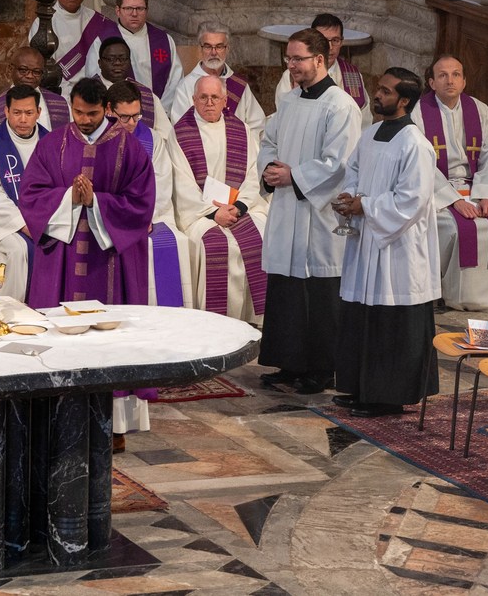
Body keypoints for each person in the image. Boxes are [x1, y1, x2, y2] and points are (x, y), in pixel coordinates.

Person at [257, 28, 362, 394]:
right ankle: (289, 362)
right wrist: (270, 169)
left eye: (297, 59)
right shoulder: (288, 101)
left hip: (320, 215)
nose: (291, 65)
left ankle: (322, 369)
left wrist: (295, 176)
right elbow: (268, 140)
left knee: (319, 296)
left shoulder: (340, 106)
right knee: (286, 291)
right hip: (288, 208)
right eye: (288, 58)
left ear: (320, 59)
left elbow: (340, 163)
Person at [332, 68, 441, 416]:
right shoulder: (371, 134)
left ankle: (388, 396)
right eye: (378, 88)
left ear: (404, 100)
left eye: (385, 91)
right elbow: (353, 170)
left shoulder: (415, 145)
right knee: (363, 316)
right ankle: (361, 388)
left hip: (398, 249)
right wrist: (349, 195)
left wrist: (366, 206)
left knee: (390, 322)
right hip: (367, 239)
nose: (377, 95)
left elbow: (412, 200)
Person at [20, 78, 154, 308]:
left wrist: (96, 202)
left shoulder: (130, 149)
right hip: (64, 251)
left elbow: (141, 203)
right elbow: (31, 194)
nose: (85, 120)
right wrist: (68, 198)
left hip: (109, 256)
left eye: (93, 113)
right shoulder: (51, 145)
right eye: (78, 112)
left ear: (106, 108)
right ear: (71, 106)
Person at [410, 55, 488, 311]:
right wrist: (454, 201)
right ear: (432, 83)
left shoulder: (479, 110)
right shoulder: (419, 113)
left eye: (456, 74)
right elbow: (422, 164)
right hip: (439, 189)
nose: (450, 80)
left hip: (475, 186)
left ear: (464, 81)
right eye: (443, 75)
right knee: (455, 226)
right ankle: (456, 295)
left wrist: (486, 195)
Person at [169, 74, 270, 323]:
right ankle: (215, 323)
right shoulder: (180, 134)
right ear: (194, 100)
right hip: (200, 213)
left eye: (215, 97)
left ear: (225, 101)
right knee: (214, 244)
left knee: (261, 235)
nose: (209, 103)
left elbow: (253, 174)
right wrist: (215, 213)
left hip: (241, 209)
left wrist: (240, 206)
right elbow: (182, 185)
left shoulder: (241, 129)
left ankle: (255, 321)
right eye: (203, 97)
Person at [106, 80, 194, 308]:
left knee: (173, 243)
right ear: (109, 110)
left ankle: (167, 317)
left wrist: (144, 217)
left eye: (136, 116)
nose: (132, 123)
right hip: (109, 218)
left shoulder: (151, 139)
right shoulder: (97, 140)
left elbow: (161, 184)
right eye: (124, 117)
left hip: (150, 216)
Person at [0, 85, 47, 301]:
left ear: (38, 113)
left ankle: (47, 309)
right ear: (6, 112)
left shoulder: (51, 142)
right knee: (18, 249)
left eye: (29, 113)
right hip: (6, 224)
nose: (22, 119)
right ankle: (10, 310)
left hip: (45, 222)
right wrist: (24, 225)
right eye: (16, 112)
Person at [85, 0, 184, 110]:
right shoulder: (103, 41)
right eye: (128, 8)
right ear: (118, 11)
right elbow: (95, 80)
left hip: (160, 112)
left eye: (140, 8)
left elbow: (175, 80)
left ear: (147, 10)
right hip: (119, 113)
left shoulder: (163, 40)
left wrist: (160, 111)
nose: (134, 13)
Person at [168, 27, 266, 141]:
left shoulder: (240, 85)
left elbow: (257, 126)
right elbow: (181, 129)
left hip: (236, 149)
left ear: (227, 49)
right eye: (208, 46)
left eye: (219, 46)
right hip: (199, 149)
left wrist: (243, 145)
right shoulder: (186, 86)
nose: (213, 52)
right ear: (200, 49)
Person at [274, 14, 373, 127]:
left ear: (341, 42)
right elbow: (284, 116)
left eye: (335, 40)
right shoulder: (293, 75)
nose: (330, 47)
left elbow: (364, 120)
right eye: (324, 40)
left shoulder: (352, 76)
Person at [26, 0, 101, 85]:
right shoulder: (44, 21)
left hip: (92, 87)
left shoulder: (95, 20)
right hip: (57, 87)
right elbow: (38, 64)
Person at [93, 37, 174, 139]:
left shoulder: (146, 95)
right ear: (100, 63)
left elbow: (165, 136)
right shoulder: (85, 93)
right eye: (111, 59)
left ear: (129, 62)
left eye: (123, 59)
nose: (117, 63)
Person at [0, 46, 71, 133]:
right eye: (23, 70)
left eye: (36, 72)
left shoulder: (61, 105)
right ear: (10, 69)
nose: (30, 76)